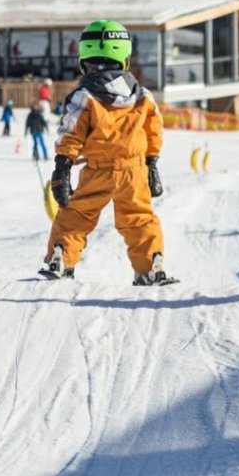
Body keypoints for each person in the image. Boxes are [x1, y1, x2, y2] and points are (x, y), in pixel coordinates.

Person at [45, 19, 174, 286]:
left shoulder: (85, 97)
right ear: (124, 57)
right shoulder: (143, 96)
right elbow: (154, 130)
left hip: (98, 170)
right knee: (139, 218)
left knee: (77, 214)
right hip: (134, 171)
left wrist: (63, 167)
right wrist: (151, 164)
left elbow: (71, 131)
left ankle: (62, 257)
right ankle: (151, 265)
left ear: (84, 59)